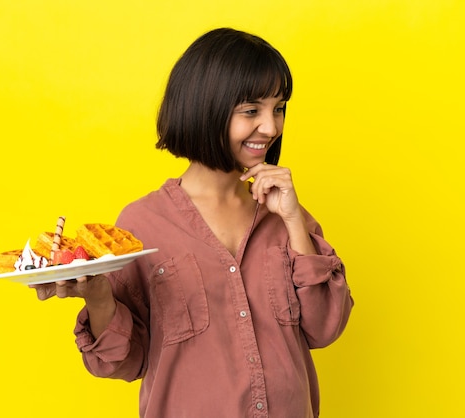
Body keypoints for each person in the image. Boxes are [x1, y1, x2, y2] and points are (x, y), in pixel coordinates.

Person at [32, 27, 353, 418]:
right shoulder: (141, 224)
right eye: (252, 111)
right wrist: (99, 298)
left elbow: (325, 328)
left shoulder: (287, 214)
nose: (271, 127)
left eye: (279, 108)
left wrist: (292, 221)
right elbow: (122, 362)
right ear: (205, 108)